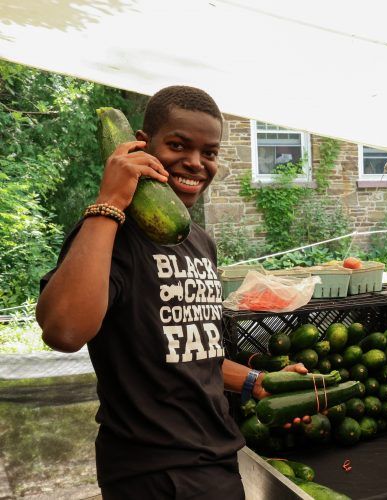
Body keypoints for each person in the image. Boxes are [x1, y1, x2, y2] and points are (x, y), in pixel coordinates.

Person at [36, 86, 306, 499]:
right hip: (152, 474)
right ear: (140, 145)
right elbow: (64, 331)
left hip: (216, 460)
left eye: (209, 152)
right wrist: (110, 201)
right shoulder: (108, 234)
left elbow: (189, 355)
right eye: (178, 145)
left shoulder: (198, 241)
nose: (196, 162)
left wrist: (256, 381)